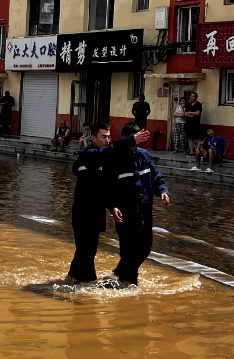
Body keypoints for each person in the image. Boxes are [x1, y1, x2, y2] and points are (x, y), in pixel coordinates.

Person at [66, 122, 151, 284]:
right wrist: (132, 139)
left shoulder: (105, 159)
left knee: (86, 251)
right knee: (86, 252)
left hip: (97, 213)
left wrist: (112, 207)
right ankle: (86, 284)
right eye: (103, 137)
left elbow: (106, 188)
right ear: (93, 138)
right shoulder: (88, 154)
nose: (107, 140)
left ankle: (72, 278)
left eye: (109, 137)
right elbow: (108, 152)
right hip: (83, 214)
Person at [110, 122, 170, 286]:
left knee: (145, 248)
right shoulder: (115, 158)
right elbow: (108, 187)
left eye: (139, 140)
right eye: (133, 139)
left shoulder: (144, 156)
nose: (136, 144)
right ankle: (127, 285)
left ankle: (121, 271)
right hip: (125, 214)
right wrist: (112, 206)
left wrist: (162, 190)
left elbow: (156, 176)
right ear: (123, 138)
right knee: (128, 251)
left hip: (144, 211)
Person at [183, 92, 204, 156]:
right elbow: (185, 114)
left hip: (196, 124)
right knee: (190, 138)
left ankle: (200, 151)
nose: (191, 97)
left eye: (193, 96)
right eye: (191, 96)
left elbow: (198, 113)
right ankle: (191, 152)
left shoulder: (199, 104)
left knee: (198, 138)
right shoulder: (188, 105)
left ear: (196, 97)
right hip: (189, 124)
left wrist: (190, 113)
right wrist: (193, 114)